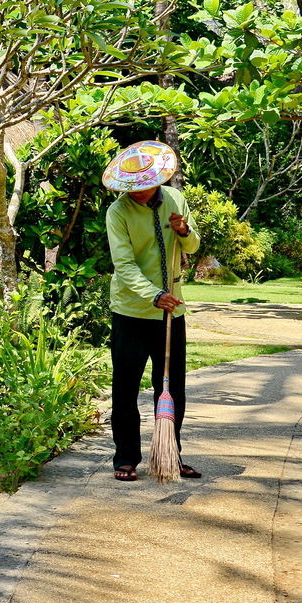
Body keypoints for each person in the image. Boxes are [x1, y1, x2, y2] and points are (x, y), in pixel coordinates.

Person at [102, 140, 203, 482]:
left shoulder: (175, 200)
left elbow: (193, 245)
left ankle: (170, 456)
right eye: (133, 187)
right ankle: (125, 459)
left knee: (174, 387)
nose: (139, 192)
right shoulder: (117, 212)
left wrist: (184, 231)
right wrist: (154, 294)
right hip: (131, 311)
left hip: (171, 312)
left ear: (157, 180)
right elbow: (125, 266)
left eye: (145, 186)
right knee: (125, 387)